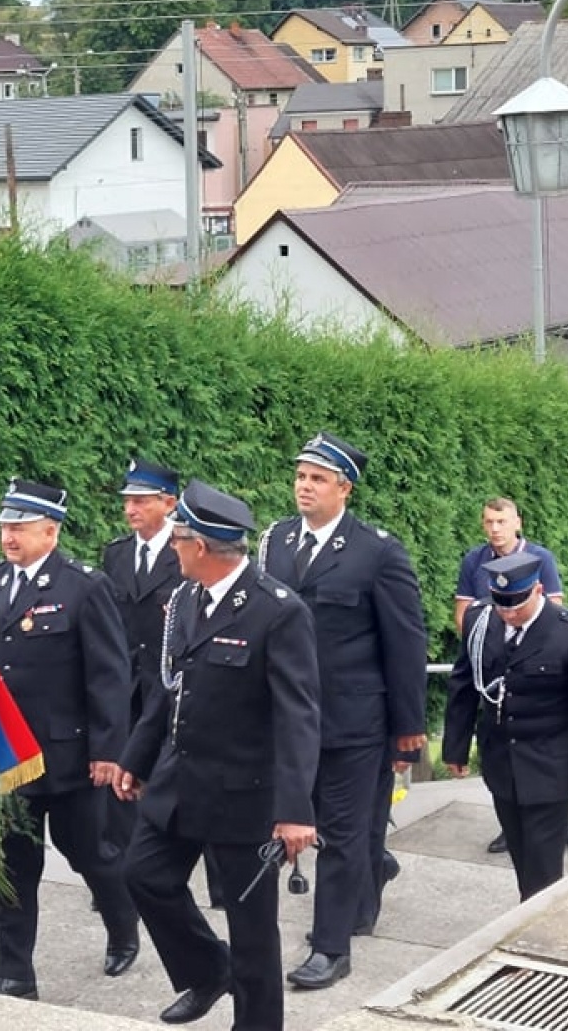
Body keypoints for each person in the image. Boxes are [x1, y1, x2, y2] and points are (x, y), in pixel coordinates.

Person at [119, 480, 320, 1030]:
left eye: (178, 540)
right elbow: (167, 688)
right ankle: (209, 971)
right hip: (180, 780)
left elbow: (298, 715)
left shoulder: (276, 612)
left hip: (244, 793)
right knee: (143, 876)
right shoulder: (185, 598)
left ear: (200, 546)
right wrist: (135, 759)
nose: (172, 549)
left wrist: (296, 808)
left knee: (253, 932)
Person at [259, 432, 427, 991]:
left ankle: (331, 949)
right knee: (295, 821)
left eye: (318, 479)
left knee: (341, 833)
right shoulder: (275, 542)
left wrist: (408, 729)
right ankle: (367, 882)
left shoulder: (376, 551)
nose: (304, 486)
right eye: (301, 476)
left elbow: (404, 644)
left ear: (344, 489)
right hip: (287, 718)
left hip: (353, 722)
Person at [0, 478, 140, 1001]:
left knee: (91, 853)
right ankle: (14, 971)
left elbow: (109, 676)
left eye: (21, 527)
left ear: (50, 531)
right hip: (7, 757)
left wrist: (107, 753)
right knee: (12, 863)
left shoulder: (83, 586)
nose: (9, 536)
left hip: (70, 757)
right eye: (5, 525)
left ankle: (122, 925)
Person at [443, 553, 568, 899]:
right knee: (522, 856)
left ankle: (535, 937)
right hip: (502, 763)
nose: (508, 613)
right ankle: (530, 916)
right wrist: (455, 748)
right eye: (501, 604)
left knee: (543, 868)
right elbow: (463, 686)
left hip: (550, 766)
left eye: (516, 606)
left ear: (537, 590)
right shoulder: (480, 620)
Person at [453, 497, 568, 856]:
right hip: (493, 659)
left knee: (545, 742)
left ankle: (563, 818)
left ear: (517, 522)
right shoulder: (474, 561)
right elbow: (464, 611)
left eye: (501, 521)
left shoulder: (541, 558)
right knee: (502, 743)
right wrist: (482, 642)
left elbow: (554, 608)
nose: (495, 528)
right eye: (489, 521)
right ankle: (510, 825)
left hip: (535, 658)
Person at [99, 459, 183, 861]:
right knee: (122, 767)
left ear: (168, 503)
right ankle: (120, 867)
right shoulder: (116, 554)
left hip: (168, 682)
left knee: (168, 770)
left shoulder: (185, 551)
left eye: (141, 501)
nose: (130, 509)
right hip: (126, 681)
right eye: (127, 501)